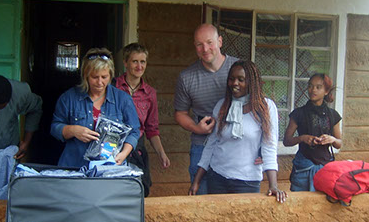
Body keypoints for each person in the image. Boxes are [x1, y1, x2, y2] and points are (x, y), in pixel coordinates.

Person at [188, 60, 286, 203]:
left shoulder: (265, 108)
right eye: (232, 79)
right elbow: (211, 144)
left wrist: (273, 185)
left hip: (247, 181)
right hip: (217, 177)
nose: (235, 83)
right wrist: (197, 180)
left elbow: (269, 147)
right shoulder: (222, 106)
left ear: (252, 82)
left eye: (241, 79)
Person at [174, 23, 239, 194]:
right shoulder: (186, 77)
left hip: (234, 145)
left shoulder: (240, 69)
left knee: (231, 202)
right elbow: (180, 114)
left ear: (219, 41)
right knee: (200, 198)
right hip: (201, 145)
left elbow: (258, 108)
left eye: (210, 42)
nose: (205, 49)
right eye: (199, 44)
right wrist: (197, 128)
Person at [51, 48, 140, 168]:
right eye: (94, 77)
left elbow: (134, 131)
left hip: (109, 167)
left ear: (111, 75)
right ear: (85, 75)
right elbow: (55, 127)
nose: (99, 82)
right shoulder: (69, 98)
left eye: (104, 77)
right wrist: (73, 130)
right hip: (74, 166)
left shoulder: (123, 99)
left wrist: (124, 154)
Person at [113, 43, 170, 197]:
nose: (139, 66)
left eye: (143, 61)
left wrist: (161, 153)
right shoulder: (113, 87)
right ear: (125, 63)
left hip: (137, 151)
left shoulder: (149, 93)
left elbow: (152, 129)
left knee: (137, 193)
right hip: (113, 150)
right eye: (135, 61)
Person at [283, 73, 342, 191]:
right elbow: (286, 140)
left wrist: (332, 139)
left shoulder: (332, 115)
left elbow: (339, 143)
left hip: (325, 168)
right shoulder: (298, 113)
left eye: (318, 87)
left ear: (326, 91)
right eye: (310, 86)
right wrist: (302, 138)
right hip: (303, 168)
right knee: (299, 205)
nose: (313, 90)